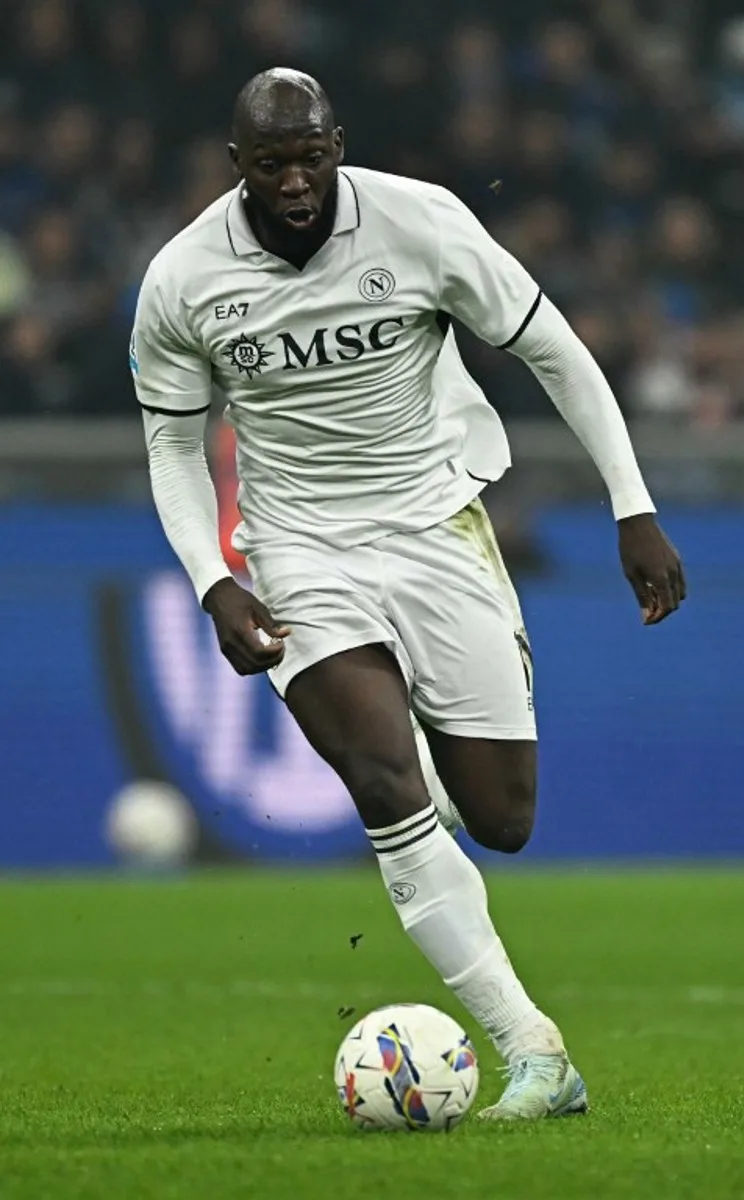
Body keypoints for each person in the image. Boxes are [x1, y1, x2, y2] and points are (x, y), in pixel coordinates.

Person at [131, 68, 686, 1121]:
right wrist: (214, 577)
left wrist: (632, 506)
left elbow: (552, 350)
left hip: (435, 527)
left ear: (336, 143)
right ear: (234, 164)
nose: (294, 182)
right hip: (297, 547)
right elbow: (168, 444)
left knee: (501, 818)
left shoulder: (422, 222)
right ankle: (533, 1051)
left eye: (309, 156)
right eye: (270, 164)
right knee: (384, 781)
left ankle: (427, 773)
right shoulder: (184, 277)